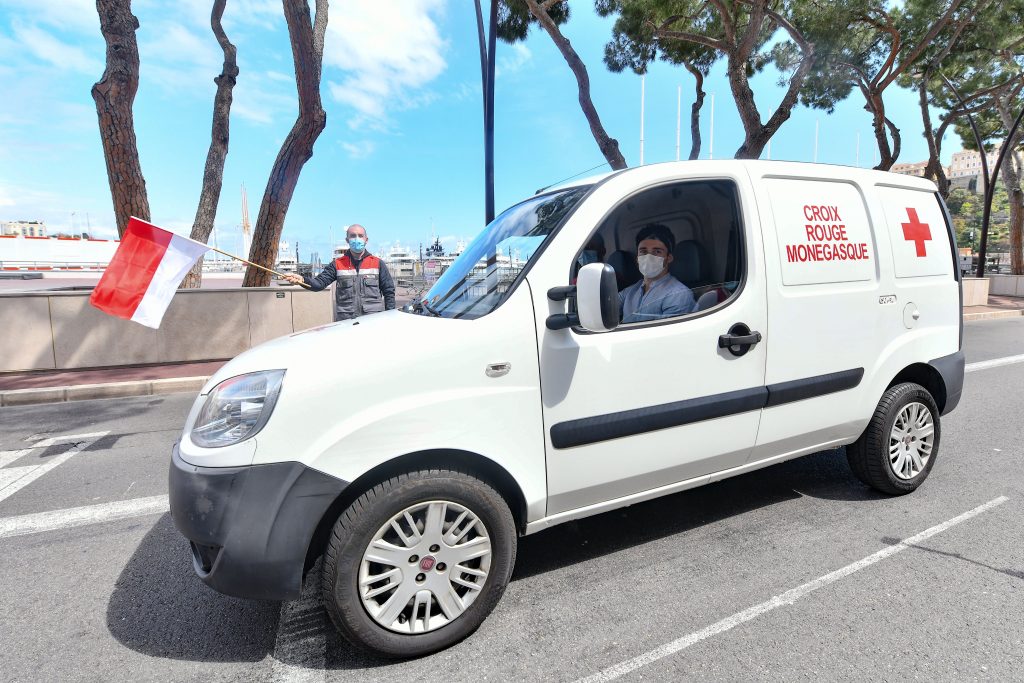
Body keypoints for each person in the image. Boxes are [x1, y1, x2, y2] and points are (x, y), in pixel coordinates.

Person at [285, 224, 395, 320]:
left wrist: (390, 317)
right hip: (346, 322)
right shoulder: (337, 264)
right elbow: (319, 284)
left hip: (373, 321)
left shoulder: (377, 263)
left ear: (366, 240)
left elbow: (389, 291)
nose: (357, 239)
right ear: (347, 240)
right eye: (353, 236)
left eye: (360, 236)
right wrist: (302, 280)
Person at [619, 224, 695, 323]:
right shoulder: (631, 291)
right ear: (637, 258)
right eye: (643, 252)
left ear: (669, 258)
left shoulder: (678, 295)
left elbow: (665, 336)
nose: (649, 257)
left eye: (657, 252)